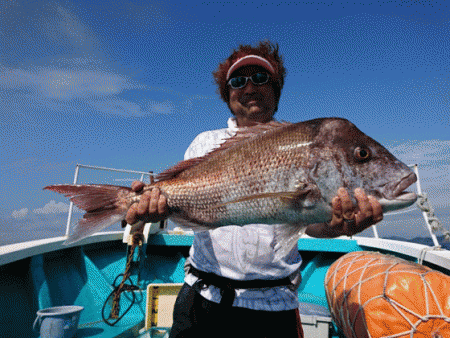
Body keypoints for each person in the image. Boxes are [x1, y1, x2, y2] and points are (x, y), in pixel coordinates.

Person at [126, 41, 383, 338]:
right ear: (227, 94)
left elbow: (311, 225)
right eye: (238, 81)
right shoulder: (205, 143)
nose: (249, 88)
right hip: (202, 299)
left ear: (275, 89)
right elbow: (185, 204)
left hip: (272, 307)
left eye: (261, 78)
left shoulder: (301, 146)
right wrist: (151, 205)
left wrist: (339, 226)